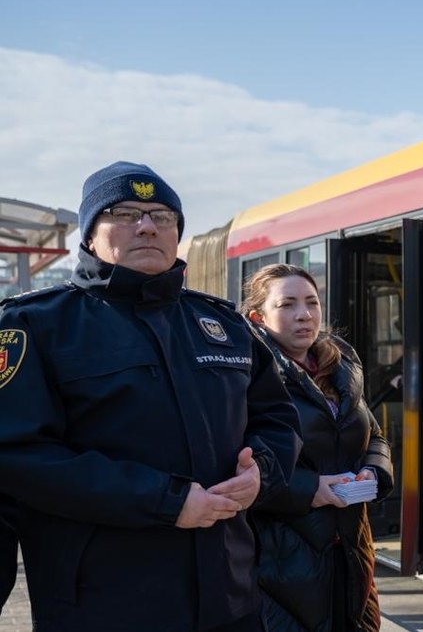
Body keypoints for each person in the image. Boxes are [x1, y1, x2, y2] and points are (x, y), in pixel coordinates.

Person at [0, 161, 302, 632]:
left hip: (230, 599)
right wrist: (164, 500)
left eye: (162, 216)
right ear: (88, 235)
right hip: (103, 606)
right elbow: (19, 456)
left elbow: (278, 419)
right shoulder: (35, 325)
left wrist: (260, 473)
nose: (146, 226)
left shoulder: (224, 325)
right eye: (123, 213)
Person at [241, 264, 394, 632]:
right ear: (258, 317)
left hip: (351, 553)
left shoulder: (341, 364)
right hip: (281, 563)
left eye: (312, 302)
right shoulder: (245, 373)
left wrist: (373, 471)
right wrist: (311, 490)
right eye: (287, 305)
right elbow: (236, 465)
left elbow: (374, 434)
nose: (304, 314)